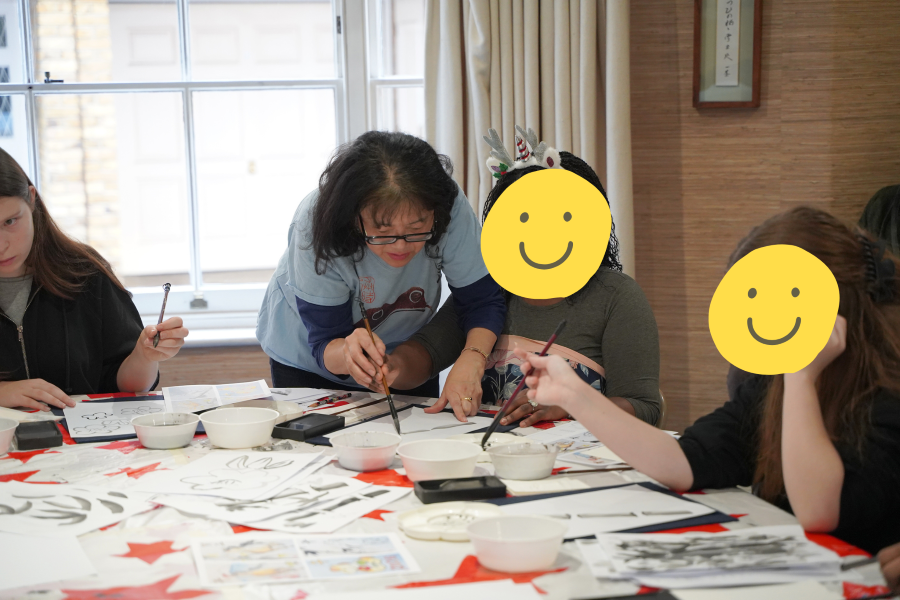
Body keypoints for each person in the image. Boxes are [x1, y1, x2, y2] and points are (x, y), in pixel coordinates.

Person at [515, 207, 900, 554]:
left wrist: (801, 373)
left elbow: (818, 513)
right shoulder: (770, 386)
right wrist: (574, 394)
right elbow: (682, 462)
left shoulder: (885, 396)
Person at [383, 146, 662, 426]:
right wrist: (388, 367)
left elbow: (644, 407)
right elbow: (426, 353)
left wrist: (572, 404)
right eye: (525, 219)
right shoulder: (484, 290)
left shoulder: (616, 297)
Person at [256, 131, 506, 421]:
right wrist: (348, 353)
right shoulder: (317, 223)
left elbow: (481, 300)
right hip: (309, 362)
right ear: (353, 218)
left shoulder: (445, 203)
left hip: (406, 357)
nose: (400, 246)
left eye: (417, 229)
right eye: (382, 232)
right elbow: (324, 342)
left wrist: (473, 358)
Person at [0, 148, 188, 411]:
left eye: (10, 221)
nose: (2, 246)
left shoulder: (83, 272)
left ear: (31, 199)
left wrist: (145, 357)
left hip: (83, 436)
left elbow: (127, 387)